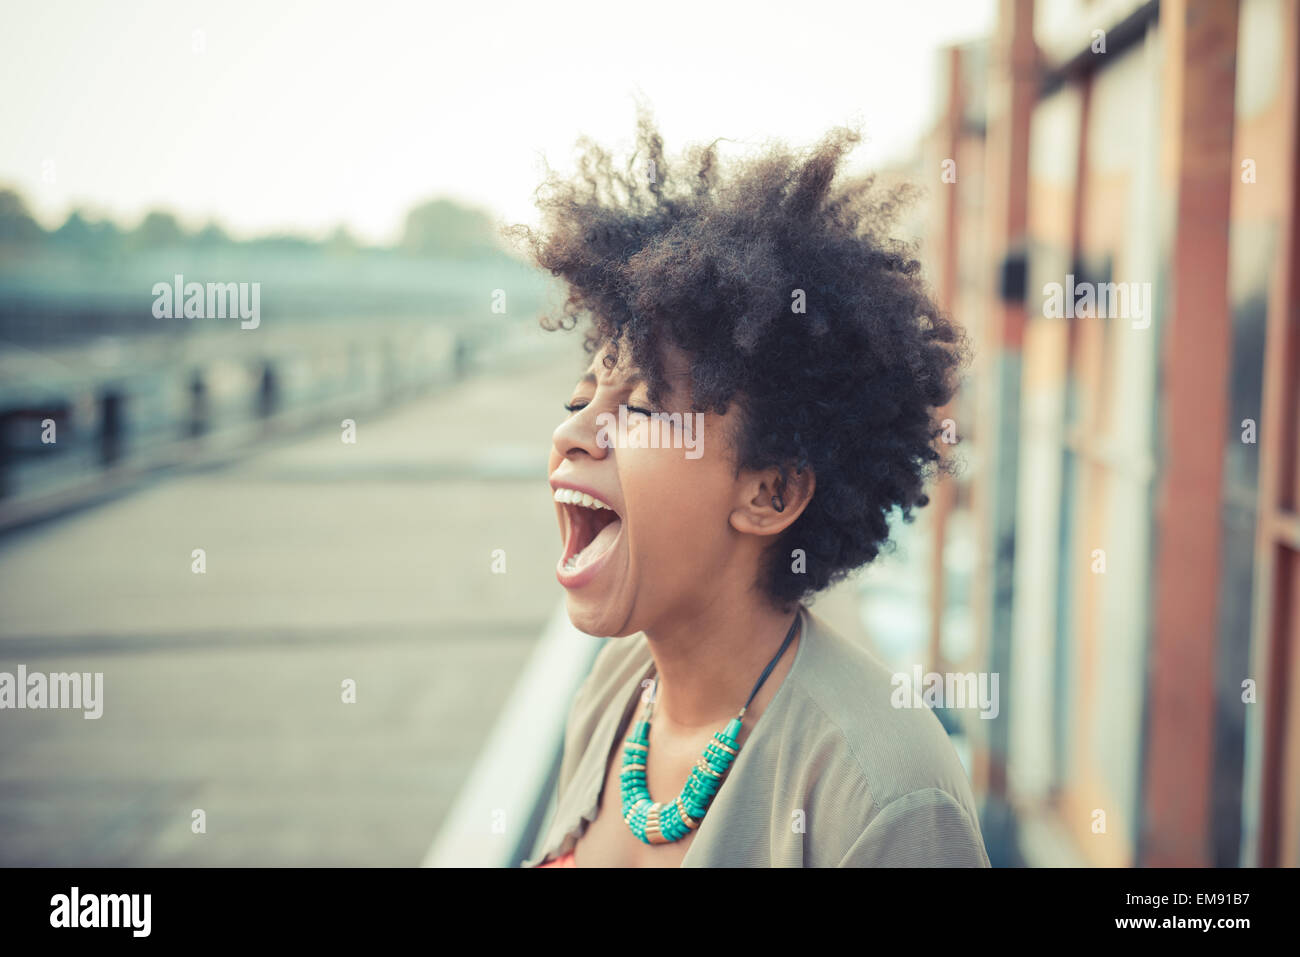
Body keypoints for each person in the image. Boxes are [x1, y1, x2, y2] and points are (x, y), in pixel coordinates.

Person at [509, 106, 988, 868]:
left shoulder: (885, 796)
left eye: (636, 408)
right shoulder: (619, 689)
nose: (573, 433)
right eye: (581, 395)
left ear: (771, 494)